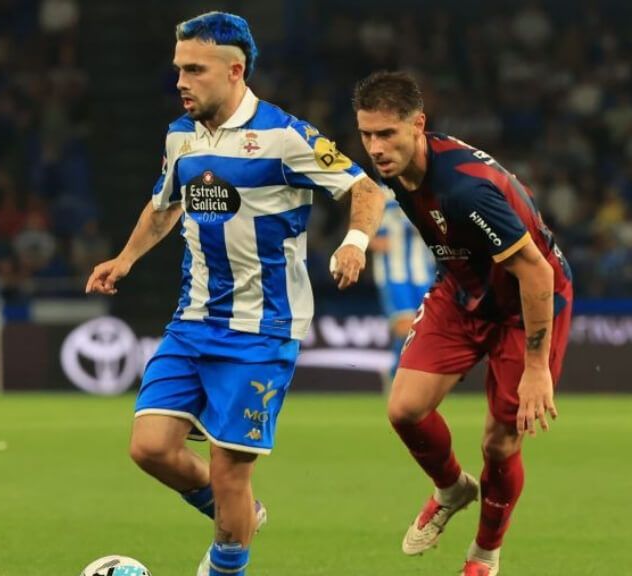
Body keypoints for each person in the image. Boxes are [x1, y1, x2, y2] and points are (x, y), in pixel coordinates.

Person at [85, 12, 385, 576]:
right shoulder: (180, 135)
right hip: (193, 321)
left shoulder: (285, 136)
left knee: (230, 477)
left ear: (235, 71)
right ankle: (241, 514)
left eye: (195, 70)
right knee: (150, 447)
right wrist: (125, 259)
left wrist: (355, 242)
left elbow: (365, 188)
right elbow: (164, 205)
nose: (181, 81)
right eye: (179, 69)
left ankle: (229, 547)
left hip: (261, 333)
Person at [352, 71, 573, 576]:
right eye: (367, 134)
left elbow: (537, 273)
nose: (376, 148)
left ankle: (484, 555)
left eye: (387, 134)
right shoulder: (397, 171)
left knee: (499, 442)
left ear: (418, 125)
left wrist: (536, 366)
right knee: (405, 409)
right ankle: (452, 488)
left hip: (524, 304)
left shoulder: (464, 189)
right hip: (462, 288)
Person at [370, 188, 434, 385]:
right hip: (393, 273)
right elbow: (362, 228)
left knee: (425, 330)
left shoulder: (426, 190)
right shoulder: (378, 193)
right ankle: (397, 376)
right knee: (405, 327)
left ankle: (405, 376)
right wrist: (371, 239)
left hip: (424, 273)